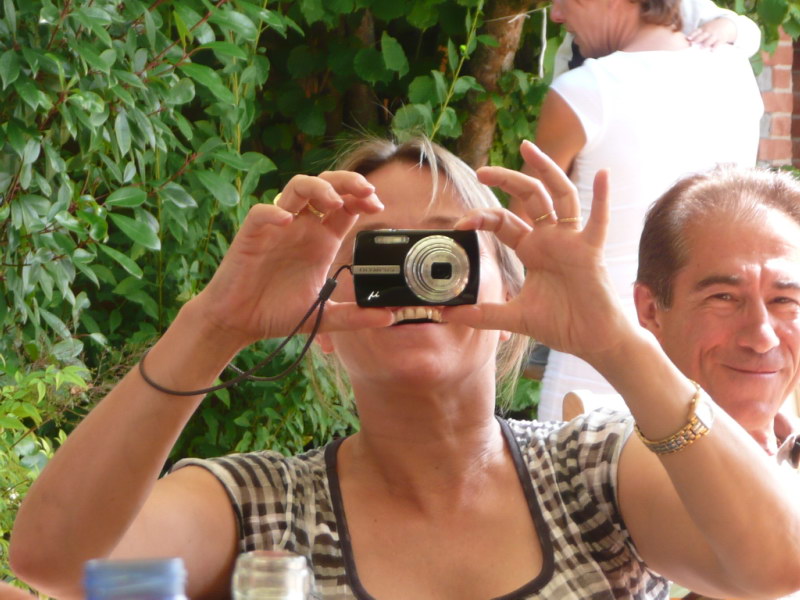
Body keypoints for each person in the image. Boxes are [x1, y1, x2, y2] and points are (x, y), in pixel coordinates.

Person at [10, 138, 800, 600]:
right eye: (379, 256)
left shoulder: (594, 471)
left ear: (510, 292)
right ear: (319, 317)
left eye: (444, 253)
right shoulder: (262, 507)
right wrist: (215, 323)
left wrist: (616, 342)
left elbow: (777, 564)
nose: (416, 281)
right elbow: (53, 560)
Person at [529, 0, 764, 421]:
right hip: (706, 365)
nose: (558, 15)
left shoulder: (584, 90)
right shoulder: (736, 74)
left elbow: (524, 234)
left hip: (593, 370)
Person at [635, 166, 800, 466]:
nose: (762, 338)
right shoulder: (604, 461)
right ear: (651, 310)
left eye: (783, 300)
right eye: (724, 297)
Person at [553, 0, 761, 77]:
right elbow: (563, 78)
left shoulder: (683, 7)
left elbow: (749, 33)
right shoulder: (577, 43)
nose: (556, 15)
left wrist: (725, 28)